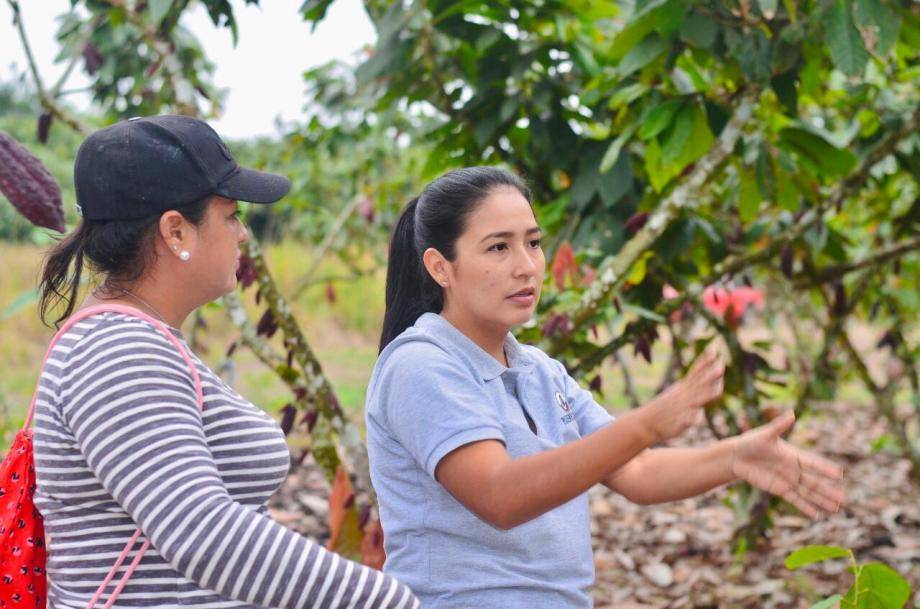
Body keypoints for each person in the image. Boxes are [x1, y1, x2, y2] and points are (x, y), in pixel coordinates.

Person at [365, 166, 845, 609]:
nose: (527, 265)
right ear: (439, 267)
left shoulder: (539, 369)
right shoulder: (421, 364)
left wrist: (733, 458)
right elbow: (501, 496)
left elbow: (634, 472)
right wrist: (647, 423)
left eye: (533, 243)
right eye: (498, 247)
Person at [33, 115, 419, 609]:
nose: (241, 235)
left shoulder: (142, 337)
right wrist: (386, 600)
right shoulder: (117, 350)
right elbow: (201, 532)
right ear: (175, 231)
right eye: (231, 215)